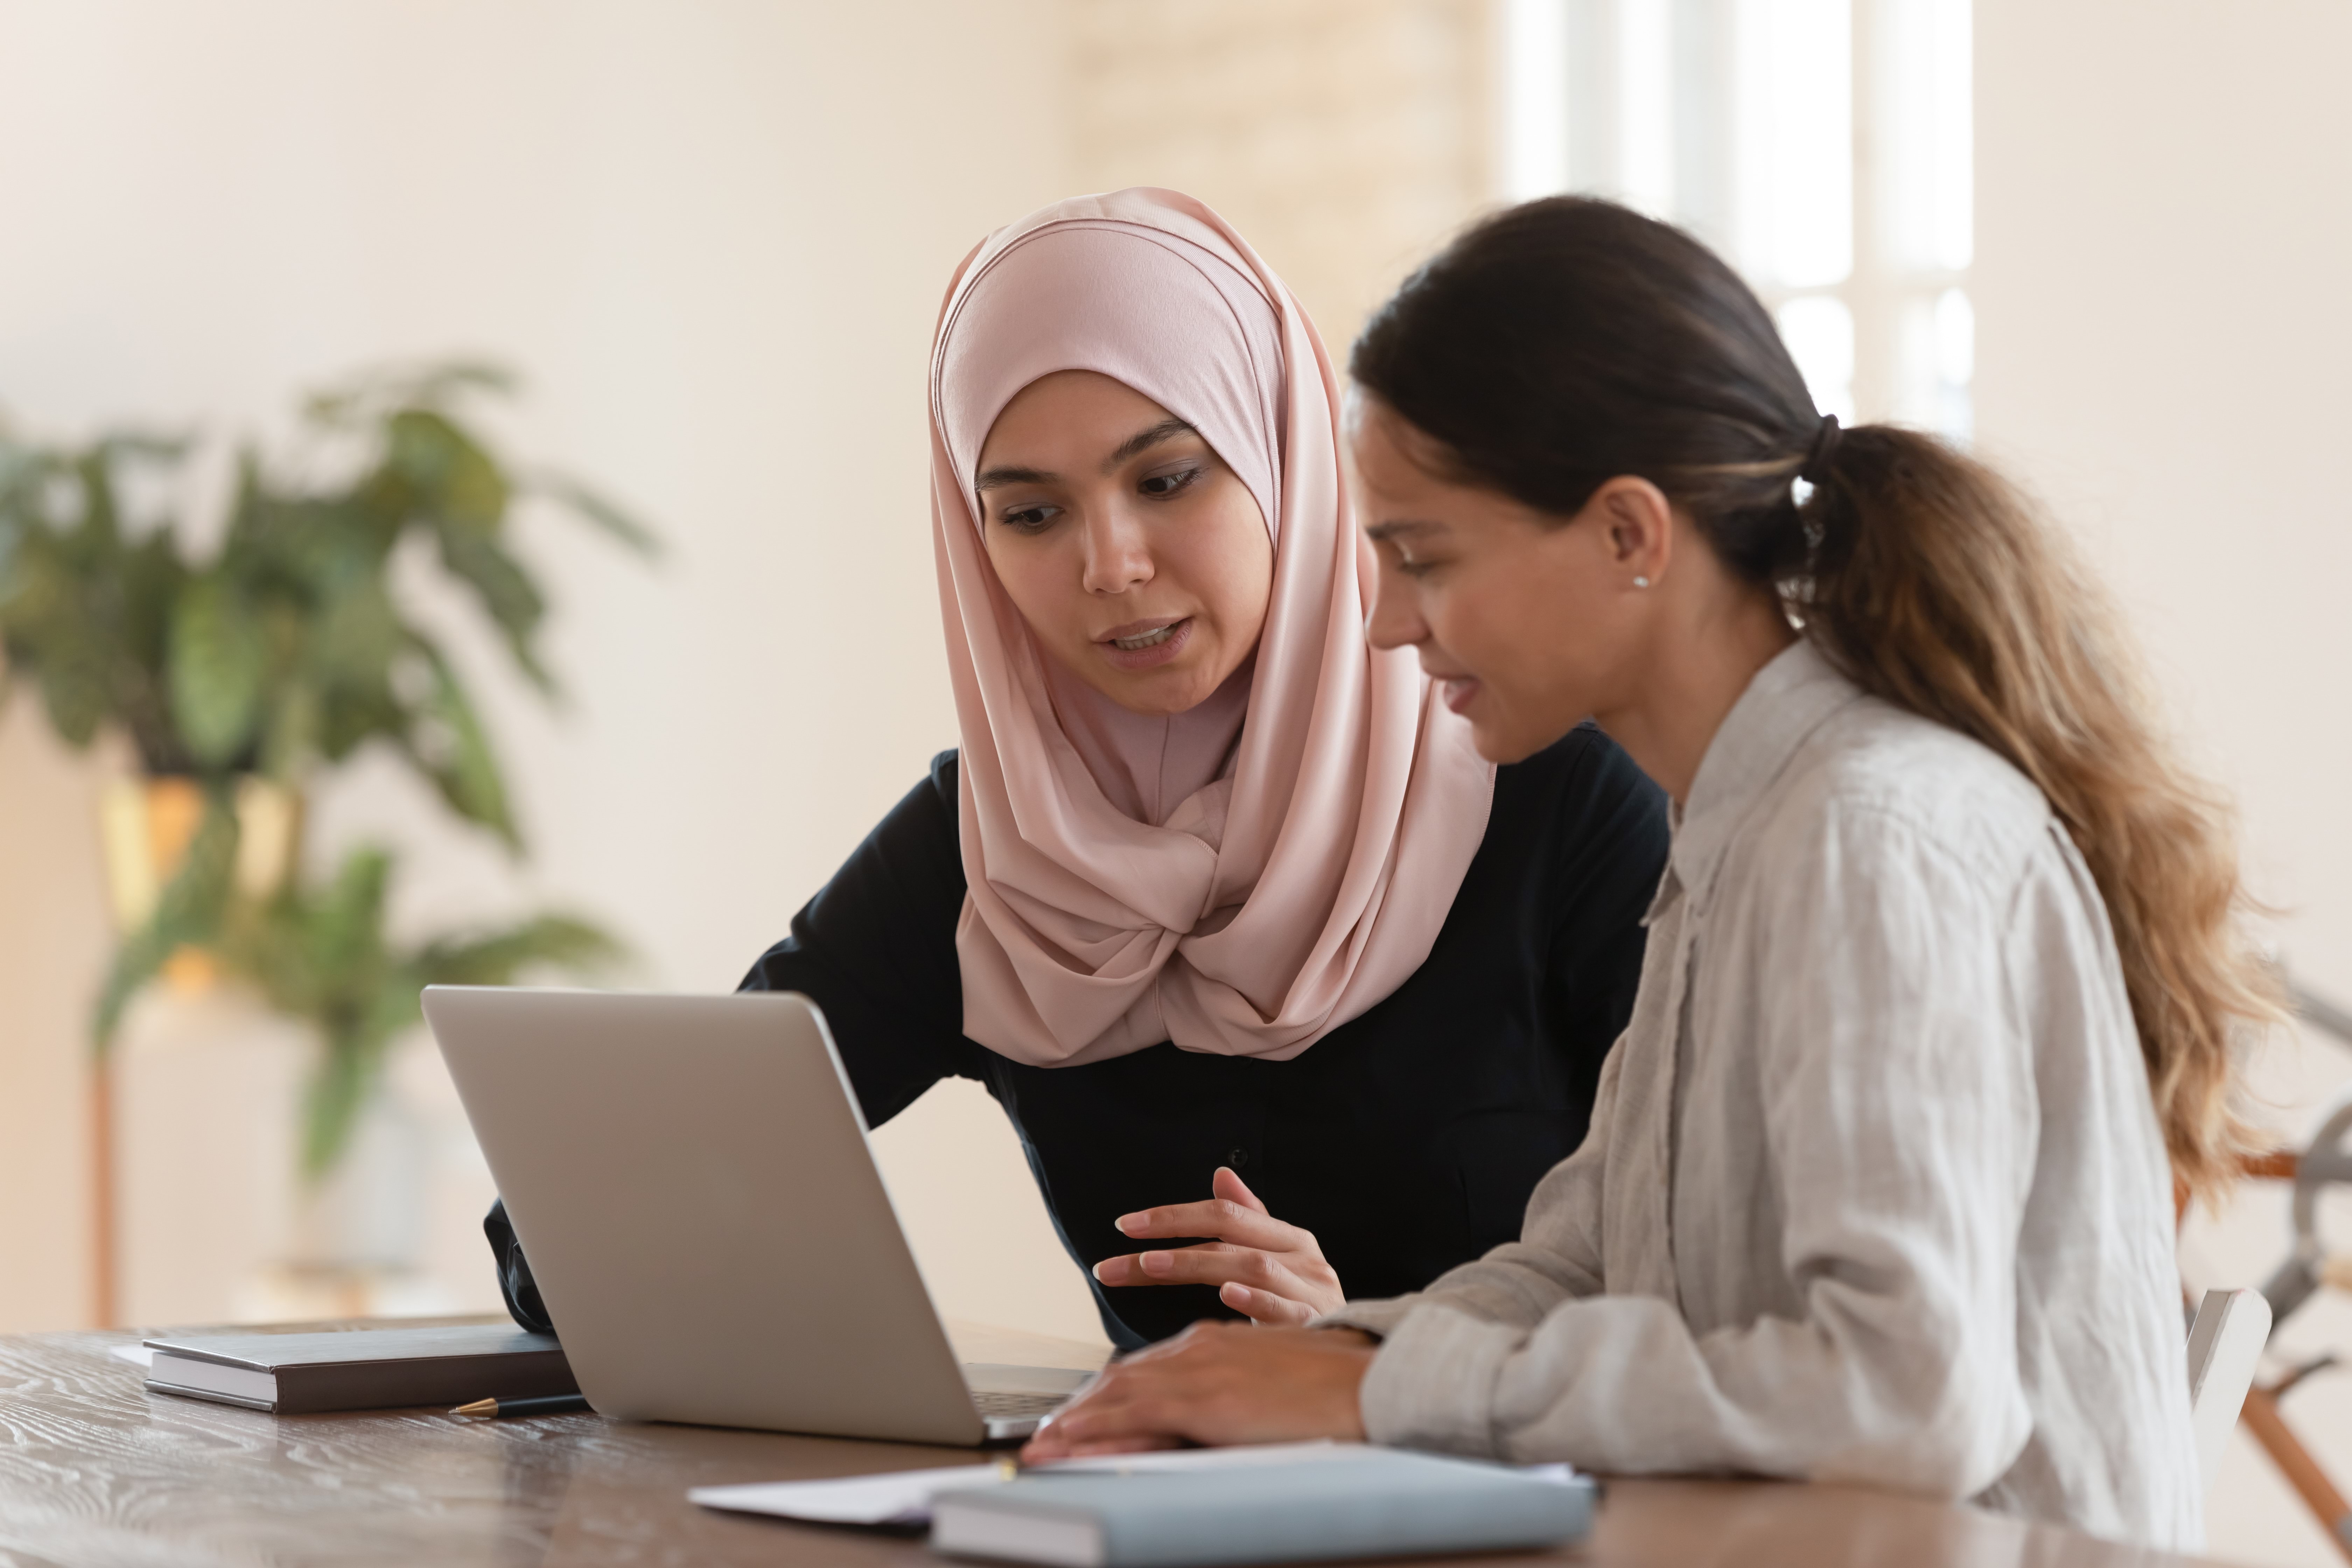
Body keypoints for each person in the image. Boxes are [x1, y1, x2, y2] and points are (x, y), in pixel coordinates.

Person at [1018, 196, 2276, 1551]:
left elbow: (1909, 1392)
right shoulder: (1739, 825)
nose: (1384, 621)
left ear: (1630, 534)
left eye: (1425, 556)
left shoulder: (1866, 833)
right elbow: (1583, 1260)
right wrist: (1302, 1363)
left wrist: (1383, 1388)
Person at [484, 188, 1668, 1351]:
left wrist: (1375, 1347)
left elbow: (1709, 1292)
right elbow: (567, 1236)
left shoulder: (1548, 789)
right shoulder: (998, 844)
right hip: (1131, 1522)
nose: (1109, 566)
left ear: (1283, 462)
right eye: (1033, 516)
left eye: (1166, 480)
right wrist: (677, 1251)